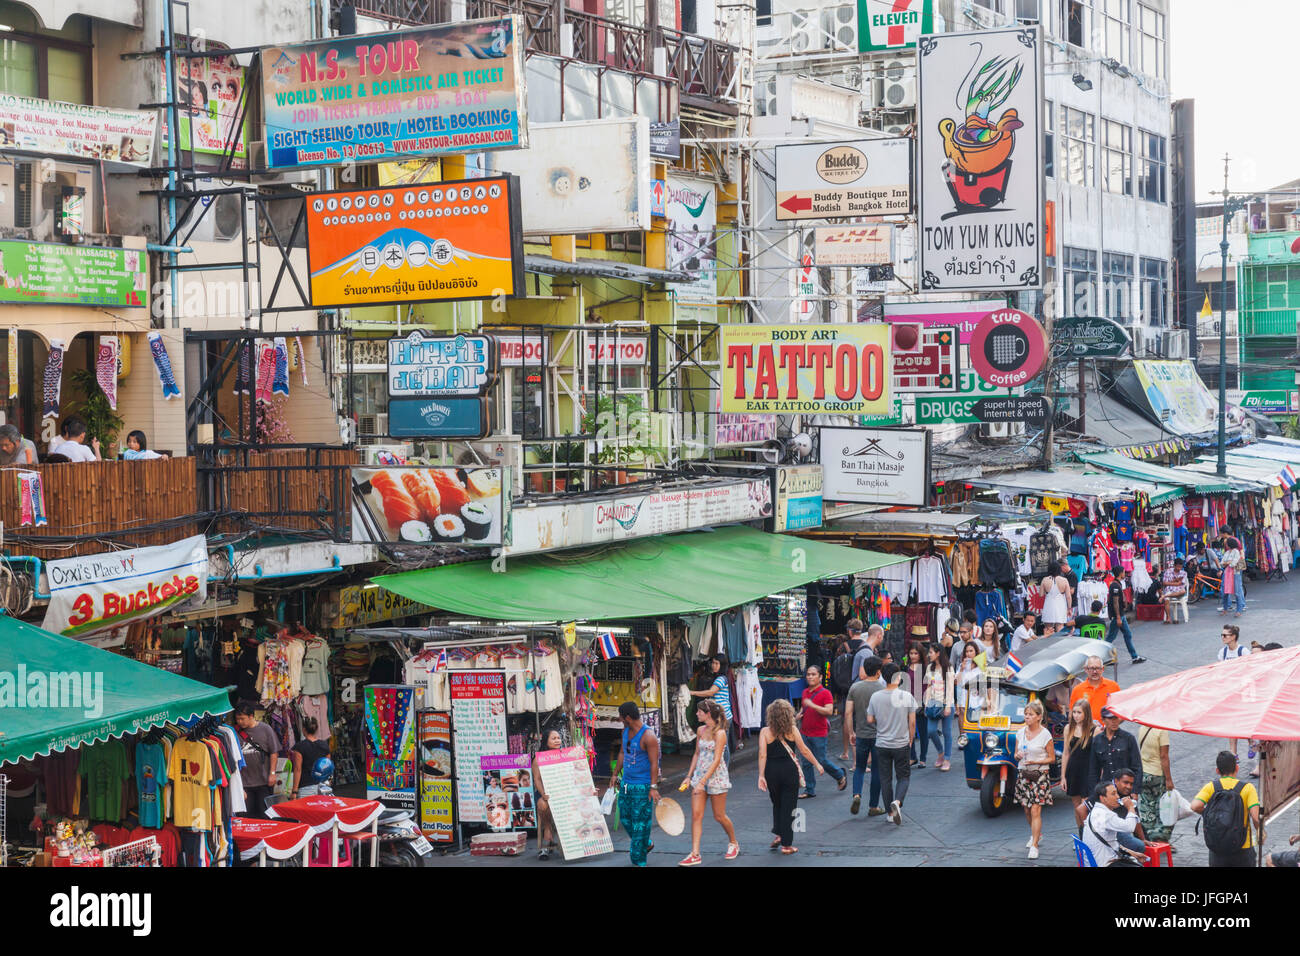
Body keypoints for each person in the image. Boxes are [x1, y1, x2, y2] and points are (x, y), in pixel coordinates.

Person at [758, 699, 822, 854]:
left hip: (771, 771)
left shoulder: (765, 732)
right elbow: (804, 750)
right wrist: (817, 764)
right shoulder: (792, 730)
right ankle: (787, 844)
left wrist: (761, 775)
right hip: (789, 771)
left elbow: (762, 755)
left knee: (777, 804)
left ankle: (779, 834)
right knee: (789, 807)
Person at [679, 700, 738, 865]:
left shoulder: (720, 733)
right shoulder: (700, 730)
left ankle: (733, 842)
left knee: (719, 816)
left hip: (716, 778)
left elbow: (717, 759)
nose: (697, 714)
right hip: (699, 777)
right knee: (696, 816)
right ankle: (695, 853)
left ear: (708, 714)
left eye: (699, 711)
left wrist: (703, 781)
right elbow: (697, 754)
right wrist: (689, 776)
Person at [608, 701, 660, 867]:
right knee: (625, 817)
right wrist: (615, 774)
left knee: (640, 824)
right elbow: (623, 752)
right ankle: (646, 843)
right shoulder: (625, 731)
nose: (619, 719)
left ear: (628, 717)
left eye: (621, 716)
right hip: (625, 783)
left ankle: (638, 860)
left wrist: (653, 787)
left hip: (642, 785)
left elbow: (654, 764)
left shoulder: (649, 736)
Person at [1190, 751, 1260, 867]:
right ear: (1237, 768)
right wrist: (1260, 832)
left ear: (1217, 770)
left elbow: (1194, 806)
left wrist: (1207, 813)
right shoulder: (1247, 788)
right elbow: (1256, 817)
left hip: (1217, 847)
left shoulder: (1212, 787)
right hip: (1242, 846)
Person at [865, 663, 916, 826]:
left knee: (885, 779)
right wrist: (910, 740)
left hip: (882, 743)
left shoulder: (876, 696)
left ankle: (889, 812)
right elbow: (912, 722)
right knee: (903, 777)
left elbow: (870, 719)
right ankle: (898, 802)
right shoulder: (907, 696)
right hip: (901, 743)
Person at [794, 664, 846, 796]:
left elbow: (828, 711)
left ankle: (840, 774)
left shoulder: (826, 693)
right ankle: (810, 790)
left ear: (820, 677)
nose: (810, 677)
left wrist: (813, 705)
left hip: (819, 733)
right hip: (805, 731)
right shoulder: (805, 692)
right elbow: (803, 708)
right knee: (806, 762)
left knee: (821, 760)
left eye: (813, 674)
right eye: (808, 674)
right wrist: (798, 716)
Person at [845, 655, 887, 816]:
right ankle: (873, 806)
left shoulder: (855, 688)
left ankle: (856, 794)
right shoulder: (883, 689)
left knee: (860, 768)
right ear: (878, 671)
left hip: (861, 733)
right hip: (879, 735)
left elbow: (848, 713)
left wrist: (851, 732)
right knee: (877, 770)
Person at [1014, 699, 1056, 859]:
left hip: (1039, 775)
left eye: (1030, 714)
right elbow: (1016, 753)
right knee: (1026, 809)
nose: (1027, 717)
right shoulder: (1020, 733)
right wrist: (1017, 755)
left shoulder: (1046, 735)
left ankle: (1035, 845)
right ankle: (1036, 834)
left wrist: (1037, 761)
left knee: (1035, 809)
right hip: (1024, 774)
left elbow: (1052, 758)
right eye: (1025, 714)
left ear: (1039, 717)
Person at [233, 702, 281, 818]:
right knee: (244, 816)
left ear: (251, 716)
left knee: (265, 815)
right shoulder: (234, 732)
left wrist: (272, 773)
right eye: (238, 719)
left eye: (242, 719)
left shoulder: (265, 729)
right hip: (244, 783)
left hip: (263, 781)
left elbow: (274, 752)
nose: (240, 722)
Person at [1082, 781, 1144, 867]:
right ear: (1103, 798)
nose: (1117, 797)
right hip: (1104, 863)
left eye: (1117, 793)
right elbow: (1130, 827)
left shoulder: (1096, 811)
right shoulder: (1106, 815)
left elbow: (1111, 842)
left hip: (1095, 861)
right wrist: (1130, 807)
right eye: (1113, 794)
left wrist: (1132, 853)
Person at [1088, 707, 1143, 795]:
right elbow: (1093, 770)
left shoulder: (1128, 738)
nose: (1114, 721)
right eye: (1110, 718)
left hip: (1126, 790)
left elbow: (1137, 767)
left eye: (1116, 718)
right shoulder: (1097, 740)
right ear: (1103, 720)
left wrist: (1135, 791)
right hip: (1106, 790)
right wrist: (1093, 793)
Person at [833, 618, 866, 760]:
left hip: (845, 688)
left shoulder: (842, 647)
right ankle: (862, 752)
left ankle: (846, 752)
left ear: (849, 631)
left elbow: (836, 666)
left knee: (847, 719)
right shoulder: (867, 647)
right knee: (861, 720)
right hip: (862, 687)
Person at [1060, 699, 1097, 821]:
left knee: (1085, 806)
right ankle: (1081, 834)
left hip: (1088, 771)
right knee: (1076, 807)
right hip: (1073, 770)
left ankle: (1089, 834)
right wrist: (1063, 777)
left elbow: (1098, 755)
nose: (1076, 715)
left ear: (1086, 713)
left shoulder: (1095, 730)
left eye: (1079, 712)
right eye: (1074, 712)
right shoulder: (1068, 728)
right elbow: (1066, 753)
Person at [688, 654, 733, 752]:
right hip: (719, 715)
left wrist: (692, 692)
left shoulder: (721, 679)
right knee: (720, 744)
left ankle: (723, 766)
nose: (714, 665)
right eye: (713, 663)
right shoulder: (718, 677)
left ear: (722, 665)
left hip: (723, 715)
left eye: (717, 663)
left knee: (722, 746)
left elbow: (711, 692)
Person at [1137, 723, 1174, 843]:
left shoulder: (1142, 728)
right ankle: (1160, 839)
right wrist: (1168, 779)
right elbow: (1164, 756)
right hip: (1157, 774)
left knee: (1147, 807)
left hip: (1144, 773)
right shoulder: (1162, 731)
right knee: (1163, 808)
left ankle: (1149, 837)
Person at [921, 643, 955, 771]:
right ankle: (940, 752)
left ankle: (946, 759)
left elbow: (951, 688)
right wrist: (926, 703)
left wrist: (947, 706)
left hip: (946, 703)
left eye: (931, 652)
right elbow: (929, 686)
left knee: (947, 732)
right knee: (931, 731)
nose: (929, 655)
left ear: (938, 653)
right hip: (934, 703)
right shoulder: (930, 667)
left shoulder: (948, 668)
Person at [533, 729, 564, 860]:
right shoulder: (538, 759)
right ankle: (547, 829)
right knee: (542, 804)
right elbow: (537, 780)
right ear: (546, 741)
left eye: (558, 737)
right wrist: (543, 793)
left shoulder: (565, 755)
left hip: (562, 792)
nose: (557, 740)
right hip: (545, 792)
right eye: (553, 738)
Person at [1105, 567, 1145, 663]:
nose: (1125, 574)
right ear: (1120, 573)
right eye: (1123, 572)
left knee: (1127, 634)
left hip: (1121, 616)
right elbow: (1115, 602)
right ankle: (1100, 657)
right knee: (1110, 638)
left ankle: (1134, 656)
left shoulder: (1117, 584)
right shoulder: (1115, 585)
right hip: (1118, 616)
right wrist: (1118, 617)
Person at [289, 716, 330, 798]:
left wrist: (294, 791)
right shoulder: (324, 745)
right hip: (323, 785)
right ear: (316, 729)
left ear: (304, 729)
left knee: (307, 810)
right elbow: (327, 767)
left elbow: (298, 769)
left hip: (306, 786)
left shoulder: (300, 747)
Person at [1069, 655, 1120, 720]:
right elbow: (1071, 715)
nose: (1095, 671)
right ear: (1086, 669)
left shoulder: (1113, 686)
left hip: (1107, 729)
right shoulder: (1077, 690)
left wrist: (1111, 725)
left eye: (1098, 668)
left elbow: (1122, 712)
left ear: (1103, 669)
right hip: (1086, 729)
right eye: (1092, 668)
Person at [904, 644, 929, 768]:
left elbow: (930, 685)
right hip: (909, 702)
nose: (913, 656)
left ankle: (923, 758)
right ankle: (912, 756)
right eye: (911, 653)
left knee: (923, 731)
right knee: (910, 731)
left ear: (920, 654)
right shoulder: (906, 666)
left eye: (916, 653)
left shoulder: (925, 668)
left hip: (922, 703)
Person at [1219, 537, 1246, 617]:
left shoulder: (1236, 552)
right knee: (1224, 591)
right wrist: (1228, 562)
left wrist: (1227, 563)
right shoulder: (1227, 552)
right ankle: (1225, 608)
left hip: (1235, 573)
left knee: (1237, 592)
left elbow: (1233, 563)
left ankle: (1239, 610)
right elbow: (1222, 563)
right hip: (1227, 573)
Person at [1040, 565, 1070, 630]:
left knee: (1048, 628)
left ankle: (1050, 640)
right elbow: (1068, 597)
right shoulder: (1064, 580)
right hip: (1061, 605)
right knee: (1060, 627)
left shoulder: (1045, 580)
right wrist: (1069, 608)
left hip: (1049, 604)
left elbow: (1041, 594)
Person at [1161, 558, 1189, 625]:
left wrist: (1171, 582)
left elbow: (1180, 584)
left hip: (1179, 591)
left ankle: (1164, 596)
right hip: (1169, 590)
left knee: (1183, 591)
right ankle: (1168, 617)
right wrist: (1175, 581)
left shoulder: (1184, 573)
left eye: (1180, 567)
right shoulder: (1168, 571)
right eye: (1178, 567)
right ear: (1174, 566)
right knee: (1166, 600)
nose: (1179, 568)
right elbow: (1164, 583)